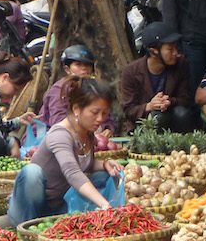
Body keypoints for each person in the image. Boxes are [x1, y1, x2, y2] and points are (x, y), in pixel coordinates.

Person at [8, 78, 124, 225]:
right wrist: (104, 204)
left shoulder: (87, 131)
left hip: (57, 207)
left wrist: (105, 164)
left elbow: (83, 162)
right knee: (32, 172)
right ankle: (26, 229)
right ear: (76, 109)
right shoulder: (60, 134)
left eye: (105, 113)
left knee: (104, 174)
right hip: (30, 208)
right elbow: (73, 172)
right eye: (95, 112)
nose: (100, 119)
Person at [120, 23, 196, 133]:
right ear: (154, 51)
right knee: (157, 117)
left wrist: (169, 101)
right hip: (144, 127)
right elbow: (129, 110)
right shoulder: (131, 72)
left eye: (176, 47)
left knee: (182, 113)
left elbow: (186, 99)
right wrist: (150, 106)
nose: (176, 53)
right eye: (170, 49)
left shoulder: (181, 65)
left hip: (173, 122)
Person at [39, 45, 113, 134]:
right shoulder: (59, 89)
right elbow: (57, 121)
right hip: (49, 136)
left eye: (87, 65)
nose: (84, 68)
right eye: (78, 65)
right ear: (67, 69)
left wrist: (107, 128)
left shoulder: (93, 88)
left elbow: (104, 113)